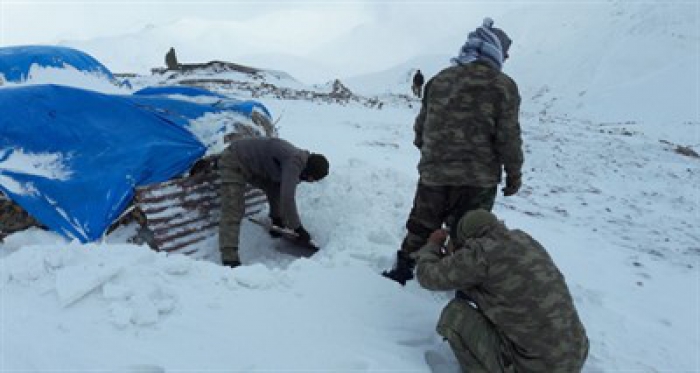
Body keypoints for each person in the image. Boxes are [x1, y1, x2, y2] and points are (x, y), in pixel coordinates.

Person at [383, 17, 523, 285]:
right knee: (470, 232)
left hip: (435, 172)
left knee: (422, 223)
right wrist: (513, 173)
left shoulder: (439, 80)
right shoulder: (503, 86)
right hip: (478, 179)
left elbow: (421, 127)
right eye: (505, 51)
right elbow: (509, 137)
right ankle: (461, 284)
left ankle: (404, 270)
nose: (507, 56)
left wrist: (431, 153)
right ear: (494, 49)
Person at [414, 209, 589, 372]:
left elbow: (428, 277)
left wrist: (433, 246)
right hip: (575, 355)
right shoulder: (524, 239)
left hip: (537, 366)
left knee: (455, 314)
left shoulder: (480, 253)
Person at [218, 137, 329, 268]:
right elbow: (288, 197)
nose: (310, 182)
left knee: (275, 186)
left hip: (253, 167)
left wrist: (277, 220)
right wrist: (298, 228)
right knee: (233, 208)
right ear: (310, 171)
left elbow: (279, 189)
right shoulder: (294, 162)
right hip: (235, 161)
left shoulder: (300, 164)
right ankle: (229, 258)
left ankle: (276, 218)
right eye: (312, 179)